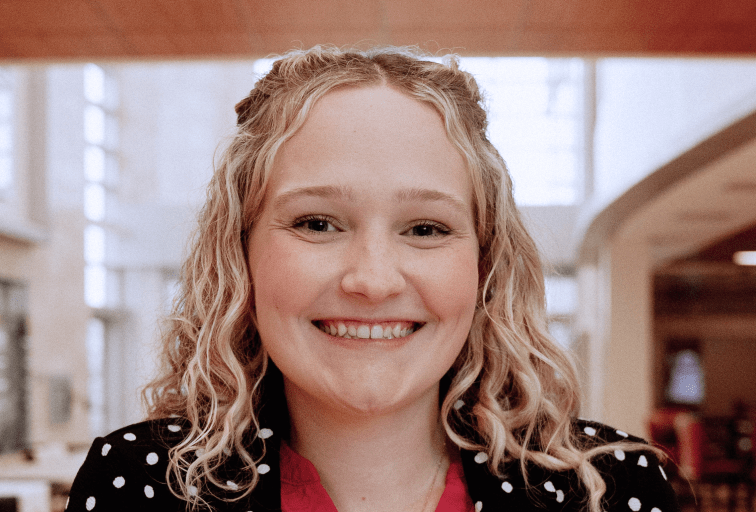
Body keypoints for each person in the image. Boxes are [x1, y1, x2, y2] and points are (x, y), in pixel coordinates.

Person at [68, 46, 679, 512]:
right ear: (240, 256)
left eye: (426, 229)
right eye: (317, 223)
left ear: (485, 265)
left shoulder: (612, 490)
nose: (374, 280)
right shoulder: (140, 485)